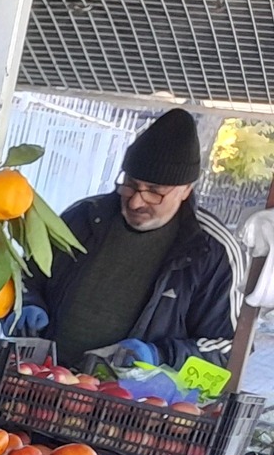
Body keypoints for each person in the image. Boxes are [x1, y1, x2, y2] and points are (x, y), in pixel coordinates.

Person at [17, 107, 246, 364]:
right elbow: (26, 277)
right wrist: (25, 303)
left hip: (132, 399)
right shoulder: (83, 217)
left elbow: (228, 349)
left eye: (154, 191)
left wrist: (158, 357)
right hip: (39, 382)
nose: (136, 201)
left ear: (186, 190)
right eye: (131, 184)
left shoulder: (212, 251)